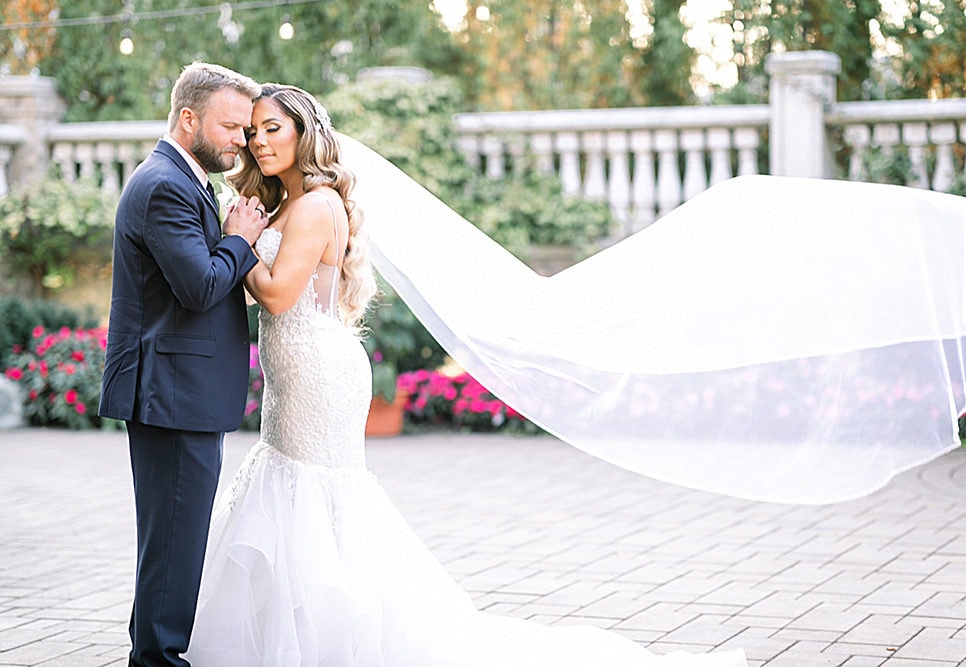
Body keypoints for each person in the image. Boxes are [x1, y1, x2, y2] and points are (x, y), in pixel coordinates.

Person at [184, 83, 748, 666]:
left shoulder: (316, 204)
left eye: (273, 128)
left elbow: (276, 296)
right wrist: (246, 237)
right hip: (297, 371)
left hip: (319, 371)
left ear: (305, 134)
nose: (259, 141)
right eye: (253, 132)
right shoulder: (283, 206)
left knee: (315, 494)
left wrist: (236, 242)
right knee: (295, 489)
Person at [98, 62, 268, 667]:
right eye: (231, 126)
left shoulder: (185, 180)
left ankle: (153, 654)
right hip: (171, 393)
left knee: (172, 542)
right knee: (174, 543)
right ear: (188, 117)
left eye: (247, 129)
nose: (241, 141)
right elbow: (199, 287)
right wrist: (240, 237)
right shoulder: (166, 184)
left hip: (179, 391)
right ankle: (158, 660)